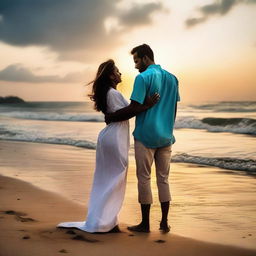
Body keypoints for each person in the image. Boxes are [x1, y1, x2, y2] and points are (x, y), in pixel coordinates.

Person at [57, 59, 159, 233]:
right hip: (114, 137)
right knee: (114, 180)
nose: (120, 74)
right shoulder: (112, 93)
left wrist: (140, 107)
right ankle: (104, 222)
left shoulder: (109, 92)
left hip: (111, 137)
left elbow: (114, 115)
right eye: (117, 71)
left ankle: (107, 221)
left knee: (108, 180)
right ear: (111, 75)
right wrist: (146, 105)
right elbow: (121, 114)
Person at [105, 44, 180, 233]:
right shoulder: (173, 79)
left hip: (146, 136)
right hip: (166, 137)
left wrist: (111, 117)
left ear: (146, 58)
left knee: (144, 178)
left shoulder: (142, 78)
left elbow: (133, 108)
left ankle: (145, 224)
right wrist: (168, 130)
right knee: (164, 179)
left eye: (137, 61)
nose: (136, 66)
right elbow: (173, 109)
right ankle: (164, 223)